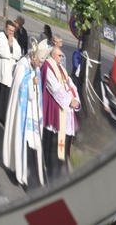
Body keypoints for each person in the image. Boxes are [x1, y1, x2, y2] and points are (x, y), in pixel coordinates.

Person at [3, 39, 51, 187]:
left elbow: (37, 90)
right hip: (21, 110)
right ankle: (17, 169)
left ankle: (30, 173)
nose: (40, 65)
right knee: (20, 140)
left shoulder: (35, 67)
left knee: (32, 144)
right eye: (39, 61)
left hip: (32, 112)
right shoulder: (22, 65)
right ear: (33, 56)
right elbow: (19, 86)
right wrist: (31, 83)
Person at [41, 44, 81, 182]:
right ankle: (51, 173)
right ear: (52, 55)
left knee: (63, 146)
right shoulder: (48, 66)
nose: (62, 57)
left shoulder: (61, 69)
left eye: (62, 55)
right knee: (55, 144)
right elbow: (54, 88)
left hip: (67, 109)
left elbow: (71, 85)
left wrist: (76, 100)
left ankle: (60, 171)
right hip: (56, 111)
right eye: (59, 55)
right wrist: (70, 101)